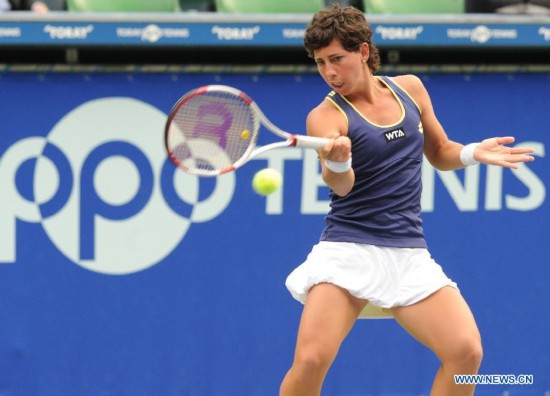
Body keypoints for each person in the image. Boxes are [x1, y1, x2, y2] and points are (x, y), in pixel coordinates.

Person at [280, 4, 535, 396]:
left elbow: (440, 150)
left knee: (466, 353)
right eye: (319, 63)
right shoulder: (325, 117)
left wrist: (471, 153)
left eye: (337, 59)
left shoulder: (410, 88)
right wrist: (339, 160)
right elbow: (340, 185)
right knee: (312, 359)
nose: (329, 72)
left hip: (408, 253)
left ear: (363, 52)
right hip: (348, 249)